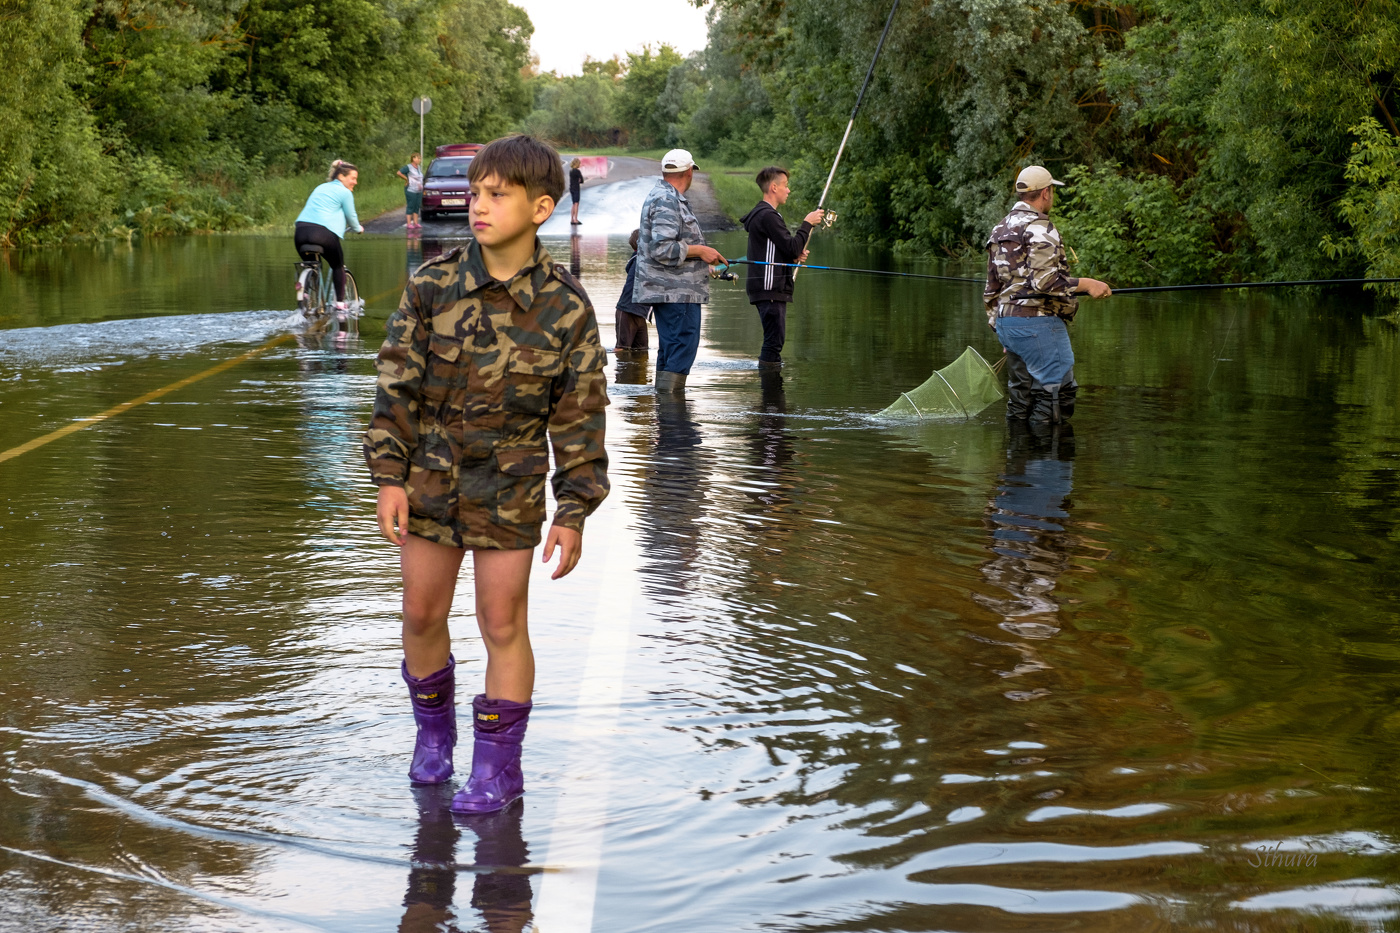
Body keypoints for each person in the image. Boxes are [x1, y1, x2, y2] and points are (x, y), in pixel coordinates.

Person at [363, 134, 610, 814]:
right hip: (430, 481)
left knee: (501, 619)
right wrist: (388, 475)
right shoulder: (433, 285)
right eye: (475, 192)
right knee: (420, 611)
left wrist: (574, 509)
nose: (479, 205)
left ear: (540, 207)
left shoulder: (565, 308)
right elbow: (395, 388)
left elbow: (581, 415)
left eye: (496, 194)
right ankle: (433, 740)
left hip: (511, 486)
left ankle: (499, 769)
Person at [983, 165, 1111, 426]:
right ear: (1045, 193)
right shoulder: (1040, 227)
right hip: (1038, 324)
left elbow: (991, 287)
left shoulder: (999, 229)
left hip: (1007, 323)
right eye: (1052, 191)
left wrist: (999, 325)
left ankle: (1017, 459)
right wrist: (1088, 284)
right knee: (1057, 394)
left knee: (1021, 398)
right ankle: (1045, 462)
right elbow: (1045, 281)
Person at [634, 148, 727, 393]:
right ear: (689, 172)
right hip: (676, 293)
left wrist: (701, 263)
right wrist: (701, 251)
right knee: (681, 346)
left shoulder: (664, 196)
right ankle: (674, 419)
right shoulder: (667, 199)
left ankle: (667, 416)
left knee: (671, 348)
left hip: (672, 289)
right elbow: (662, 248)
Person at [739, 166, 825, 369]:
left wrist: (793, 258)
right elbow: (793, 246)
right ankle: (770, 391)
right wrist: (807, 224)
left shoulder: (765, 215)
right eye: (786, 186)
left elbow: (783, 250)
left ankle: (770, 389)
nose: (789, 190)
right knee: (774, 341)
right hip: (770, 288)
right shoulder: (768, 216)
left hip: (768, 287)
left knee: (774, 341)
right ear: (774, 187)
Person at [295, 160, 364, 314]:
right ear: (341, 176)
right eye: (353, 178)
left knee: (311, 265)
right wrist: (358, 228)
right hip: (323, 234)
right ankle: (339, 304)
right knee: (337, 266)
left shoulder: (320, 187)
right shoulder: (345, 192)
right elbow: (351, 216)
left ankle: (306, 295)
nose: (355, 182)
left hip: (300, 232)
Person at [615, 229, 652, 352]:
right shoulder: (640, 259)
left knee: (641, 351)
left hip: (640, 313)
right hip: (627, 311)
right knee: (622, 349)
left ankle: (634, 370)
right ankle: (619, 369)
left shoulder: (643, 259)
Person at [398, 153, 425, 231]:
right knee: (411, 205)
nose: (419, 160)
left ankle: (415, 222)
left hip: (418, 190)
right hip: (411, 189)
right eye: (417, 158)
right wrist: (406, 179)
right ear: (413, 159)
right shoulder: (408, 167)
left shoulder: (418, 167)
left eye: (420, 158)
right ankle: (409, 223)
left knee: (417, 206)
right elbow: (399, 172)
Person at [569, 158, 584, 225]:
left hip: (571, 187)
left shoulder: (571, 171)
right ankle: (576, 219)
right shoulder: (577, 171)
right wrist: (579, 181)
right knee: (576, 203)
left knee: (573, 203)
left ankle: (572, 218)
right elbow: (582, 180)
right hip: (576, 188)